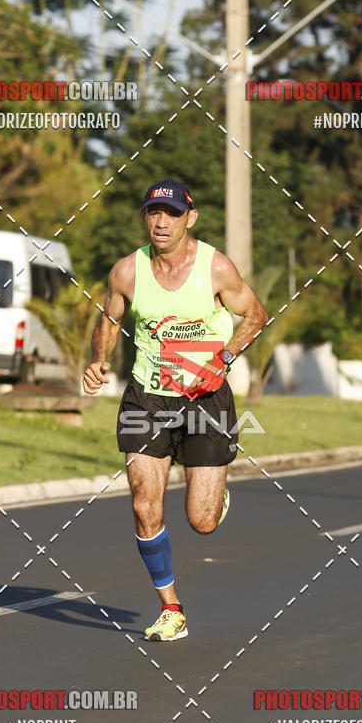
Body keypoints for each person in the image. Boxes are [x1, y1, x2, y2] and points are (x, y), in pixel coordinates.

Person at [82, 178, 267, 641]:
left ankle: (215, 494)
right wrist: (98, 359)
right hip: (147, 396)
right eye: (153, 212)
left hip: (206, 398)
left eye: (171, 213)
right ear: (145, 217)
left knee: (201, 522)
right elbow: (110, 317)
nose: (161, 221)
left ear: (190, 218)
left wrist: (224, 358)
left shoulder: (217, 268)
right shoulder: (127, 271)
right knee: (145, 506)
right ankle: (172, 609)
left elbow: (256, 315)